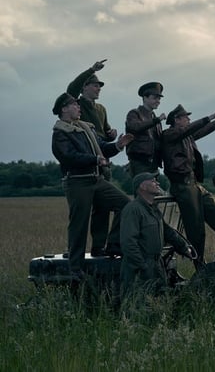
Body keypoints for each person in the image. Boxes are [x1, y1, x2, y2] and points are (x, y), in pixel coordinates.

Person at [51, 93, 133, 275]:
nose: (78, 107)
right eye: (74, 105)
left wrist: (118, 145)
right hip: (77, 182)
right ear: (64, 109)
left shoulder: (86, 128)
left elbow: (103, 148)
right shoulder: (60, 133)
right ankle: (75, 270)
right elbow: (68, 157)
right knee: (79, 225)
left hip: (96, 180)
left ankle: (113, 245)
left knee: (126, 205)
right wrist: (95, 159)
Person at [161, 104, 215, 260]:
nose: (189, 119)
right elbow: (192, 129)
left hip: (194, 184)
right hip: (182, 186)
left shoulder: (186, 136)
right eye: (186, 117)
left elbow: (203, 130)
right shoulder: (169, 135)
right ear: (177, 119)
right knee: (196, 229)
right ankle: (199, 265)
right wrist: (211, 116)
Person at [67, 59, 119, 257]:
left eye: (99, 86)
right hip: (84, 163)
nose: (99, 89)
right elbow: (71, 89)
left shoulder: (101, 109)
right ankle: (75, 253)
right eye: (96, 85)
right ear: (85, 87)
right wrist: (91, 69)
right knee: (80, 214)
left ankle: (100, 246)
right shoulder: (76, 104)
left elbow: (104, 132)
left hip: (103, 161)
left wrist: (112, 134)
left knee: (103, 207)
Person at [120, 171, 196, 296]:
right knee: (139, 304)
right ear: (143, 187)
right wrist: (142, 266)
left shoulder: (153, 209)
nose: (157, 183)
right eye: (153, 181)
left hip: (156, 263)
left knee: (160, 300)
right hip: (140, 266)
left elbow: (168, 232)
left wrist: (184, 248)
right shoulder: (133, 209)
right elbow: (128, 242)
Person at [125, 82, 167, 177]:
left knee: (154, 191)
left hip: (153, 163)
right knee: (143, 190)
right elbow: (135, 127)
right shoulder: (134, 114)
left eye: (159, 98)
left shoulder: (154, 117)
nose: (158, 101)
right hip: (140, 163)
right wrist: (156, 120)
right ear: (145, 98)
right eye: (155, 98)